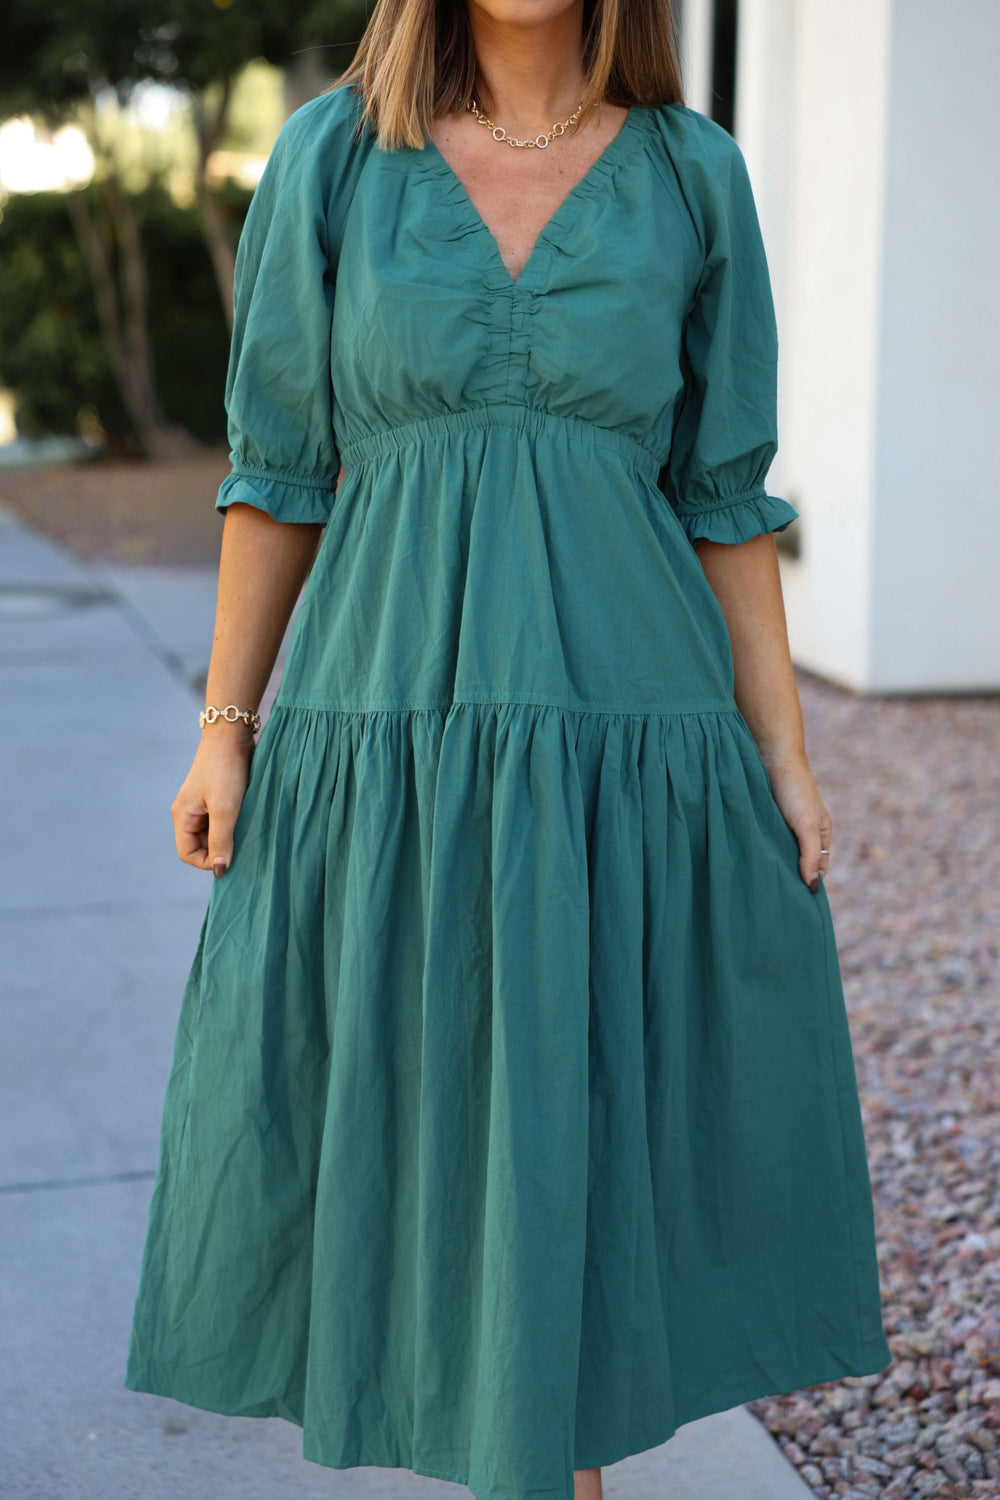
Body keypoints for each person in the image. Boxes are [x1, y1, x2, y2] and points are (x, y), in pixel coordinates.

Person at [124, 1, 893, 1497]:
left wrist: (785, 751)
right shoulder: (334, 156)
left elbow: (725, 495)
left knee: (591, 1119)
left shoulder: (691, 172)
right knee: (428, 1113)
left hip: (628, 727)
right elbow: (276, 469)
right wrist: (224, 732)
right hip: (390, 723)